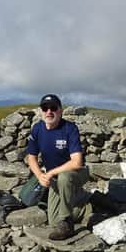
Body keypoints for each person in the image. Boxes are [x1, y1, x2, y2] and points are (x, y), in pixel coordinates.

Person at [26, 94, 91, 240]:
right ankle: (87, 204)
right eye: (45, 108)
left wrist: (50, 173)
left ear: (60, 111)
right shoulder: (37, 129)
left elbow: (77, 162)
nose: (49, 112)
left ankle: (67, 224)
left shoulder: (69, 128)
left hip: (77, 173)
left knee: (65, 177)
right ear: (41, 111)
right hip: (54, 177)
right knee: (53, 220)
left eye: (53, 108)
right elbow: (31, 157)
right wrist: (40, 176)